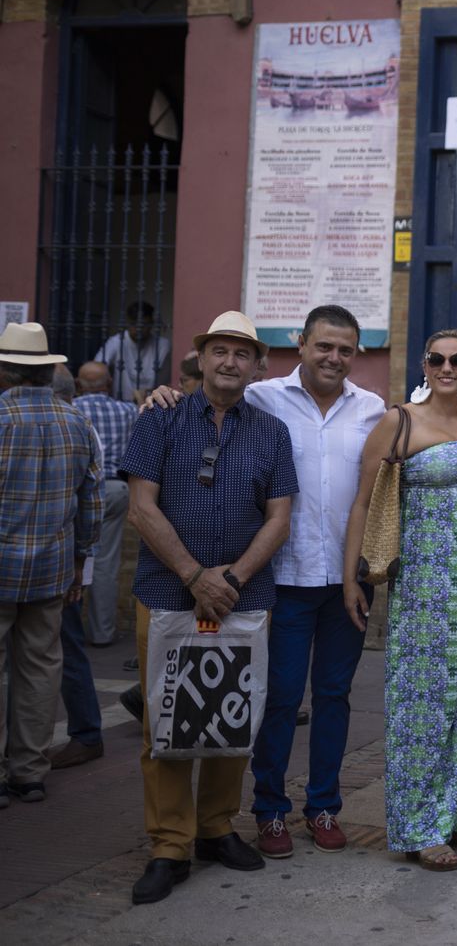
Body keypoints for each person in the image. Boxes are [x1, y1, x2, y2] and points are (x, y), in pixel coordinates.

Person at [121, 311, 296, 905]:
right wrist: (195, 576)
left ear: (257, 366)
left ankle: (217, 828)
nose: (229, 362)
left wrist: (233, 578)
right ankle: (169, 844)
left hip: (245, 598)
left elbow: (279, 516)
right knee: (165, 720)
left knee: (232, 718)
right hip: (169, 591)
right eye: (219, 351)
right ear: (201, 359)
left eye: (241, 353)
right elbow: (141, 508)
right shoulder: (160, 418)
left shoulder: (271, 432)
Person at [224, 305, 384, 858]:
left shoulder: (372, 410)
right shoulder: (262, 398)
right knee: (280, 697)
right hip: (284, 578)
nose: (334, 358)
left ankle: (323, 806)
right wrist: (165, 394)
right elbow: (206, 405)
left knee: (335, 696)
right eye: (324, 346)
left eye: (344, 349)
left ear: (355, 353)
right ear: (302, 344)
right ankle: (269, 809)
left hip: (349, 581)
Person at [343, 329, 457, 872]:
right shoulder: (399, 421)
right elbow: (363, 503)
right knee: (422, 706)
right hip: (423, 591)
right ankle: (418, 826)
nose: (447, 367)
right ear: (425, 365)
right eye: (437, 359)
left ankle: (453, 813)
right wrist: (351, 581)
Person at [0, 323, 102, 807]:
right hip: (52, 569)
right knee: (41, 669)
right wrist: (80, 563)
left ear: (6, 371)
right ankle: (29, 772)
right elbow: (91, 504)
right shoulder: (77, 422)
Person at [47, 365, 109, 771]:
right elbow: (92, 504)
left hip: (50, 564)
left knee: (60, 652)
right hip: (65, 563)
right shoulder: (82, 425)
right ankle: (84, 733)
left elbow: (89, 503)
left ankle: (84, 733)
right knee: (64, 651)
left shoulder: (73, 426)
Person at [72, 361, 137, 646]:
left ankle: (68, 632)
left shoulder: (70, 408)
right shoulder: (126, 411)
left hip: (77, 490)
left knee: (70, 557)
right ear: (109, 382)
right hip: (114, 488)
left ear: (78, 384)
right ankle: (102, 633)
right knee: (107, 563)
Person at [94, 301, 171, 403]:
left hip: (153, 404)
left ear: (151, 324)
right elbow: (97, 367)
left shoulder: (162, 345)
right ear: (127, 323)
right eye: (134, 324)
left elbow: (167, 378)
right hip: (121, 403)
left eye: (143, 325)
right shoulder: (116, 342)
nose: (138, 329)